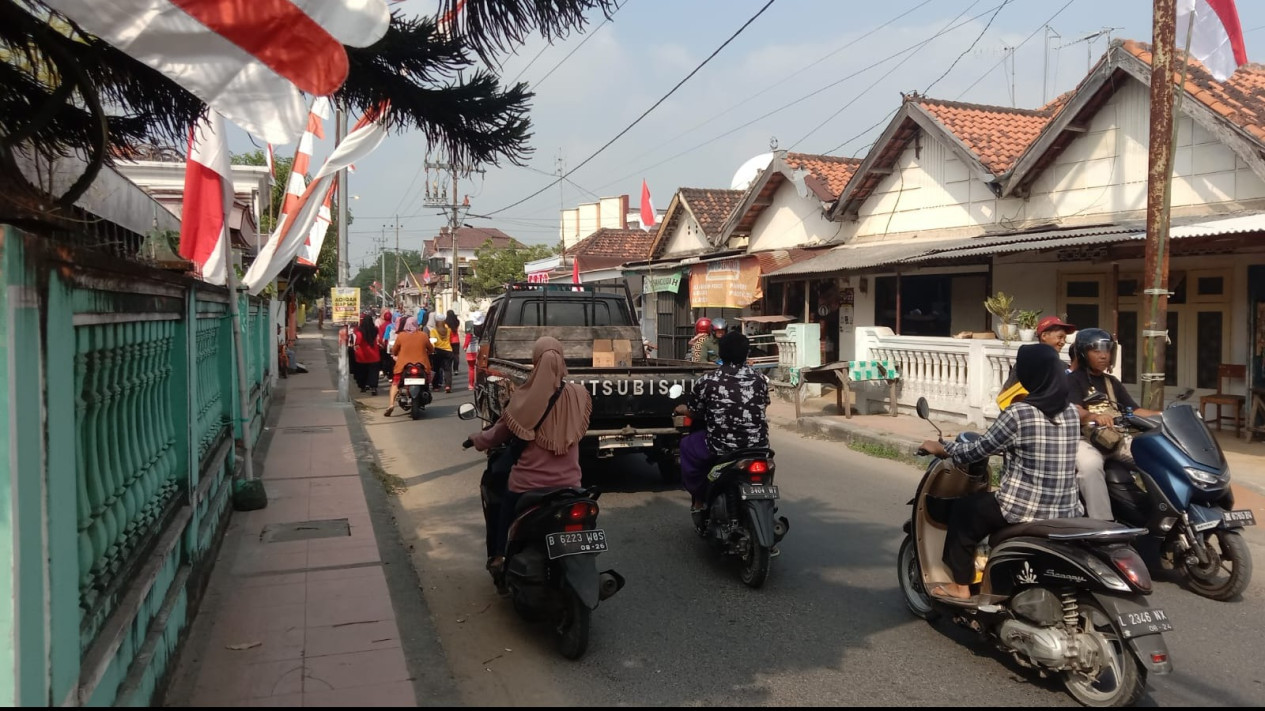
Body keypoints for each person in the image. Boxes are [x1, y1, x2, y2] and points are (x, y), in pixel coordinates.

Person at [920, 344, 1083, 600]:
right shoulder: (1072, 413)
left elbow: (979, 449)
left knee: (964, 511)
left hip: (1023, 508)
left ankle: (961, 586)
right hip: (1066, 509)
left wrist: (943, 448)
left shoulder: (1019, 413)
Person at [467, 336, 592, 588]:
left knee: (503, 511)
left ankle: (501, 556)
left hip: (527, 486)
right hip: (571, 484)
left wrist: (477, 440)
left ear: (535, 362)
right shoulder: (580, 395)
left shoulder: (523, 399)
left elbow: (498, 434)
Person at [674, 332, 770, 527]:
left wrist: (681, 408)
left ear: (720, 352)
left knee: (686, 444)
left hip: (721, 448)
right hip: (759, 447)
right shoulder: (760, 380)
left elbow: (694, 412)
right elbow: (763, 404)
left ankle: (699, 499)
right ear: (746, 354)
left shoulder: (707, 381)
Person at [1067, 328, 1162, 521]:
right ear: (1084, 353)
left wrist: (1162, 415)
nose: (1103, 355)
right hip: (1085, 439)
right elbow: (1074, 410)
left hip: (1115, 437)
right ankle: (1103, 523)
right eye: (1096, 351)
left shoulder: (1112, 382)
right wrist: (1092, 415)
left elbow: (1134, 410)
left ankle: (1163, 513)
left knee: (1155, 457)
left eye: (1107, 350)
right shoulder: (1072, 380)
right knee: (1090, 466)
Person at [384, 316, 434, 417]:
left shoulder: (401, 336)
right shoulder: (423, 335)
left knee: (395, 383)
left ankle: (391, 404)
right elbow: (431, 349)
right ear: (416, 325)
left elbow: (394, 350)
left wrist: (396, 354)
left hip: (403, 365)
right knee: (428, 379)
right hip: (422, 365)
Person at [353, 312, 381, 395]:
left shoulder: (359, 331)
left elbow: (358, 341)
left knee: (362, 372)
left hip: (362, 355)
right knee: (374, 372)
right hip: (374, 355)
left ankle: (363, 386)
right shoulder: (375, 329)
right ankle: (373, 387)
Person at [429, 312, 453, 392]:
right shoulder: (448, 330)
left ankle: (435, 386)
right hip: (448, 350)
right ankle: (448, 386)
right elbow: (451, 340)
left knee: (436, 368)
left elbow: (432, 342)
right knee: (448, 369)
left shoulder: (433, 331)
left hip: (437, 351)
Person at [464, 311, 485, 391]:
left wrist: (465, 346)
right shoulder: (483, 329)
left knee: (471, 368)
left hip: (470, 350)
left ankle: (471, 384)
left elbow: (468, 338)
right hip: (480, 349)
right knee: (480, 368)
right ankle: (480, 383)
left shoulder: (470, 328)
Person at [446, 309, 462, 386]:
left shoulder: (446, 323)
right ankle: (456, 369)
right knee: (456, 355)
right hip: (456, 340)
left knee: (449, 355)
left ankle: (449, 368)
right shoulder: (457, 322)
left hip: (449, 340)